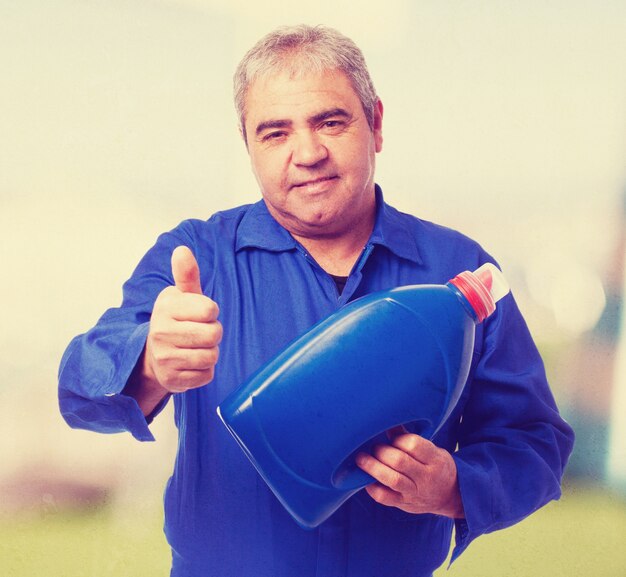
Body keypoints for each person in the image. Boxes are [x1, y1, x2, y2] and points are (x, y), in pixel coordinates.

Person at [58, 24, 574, 577]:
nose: (307, 153)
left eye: (330, 122)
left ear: (376, 124)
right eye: (275, 133)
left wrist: (454, 488)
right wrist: (149, 363)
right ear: (249, 146)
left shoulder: (459, 268)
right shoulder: (198, 257)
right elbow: (78, 391)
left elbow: (535, 443)